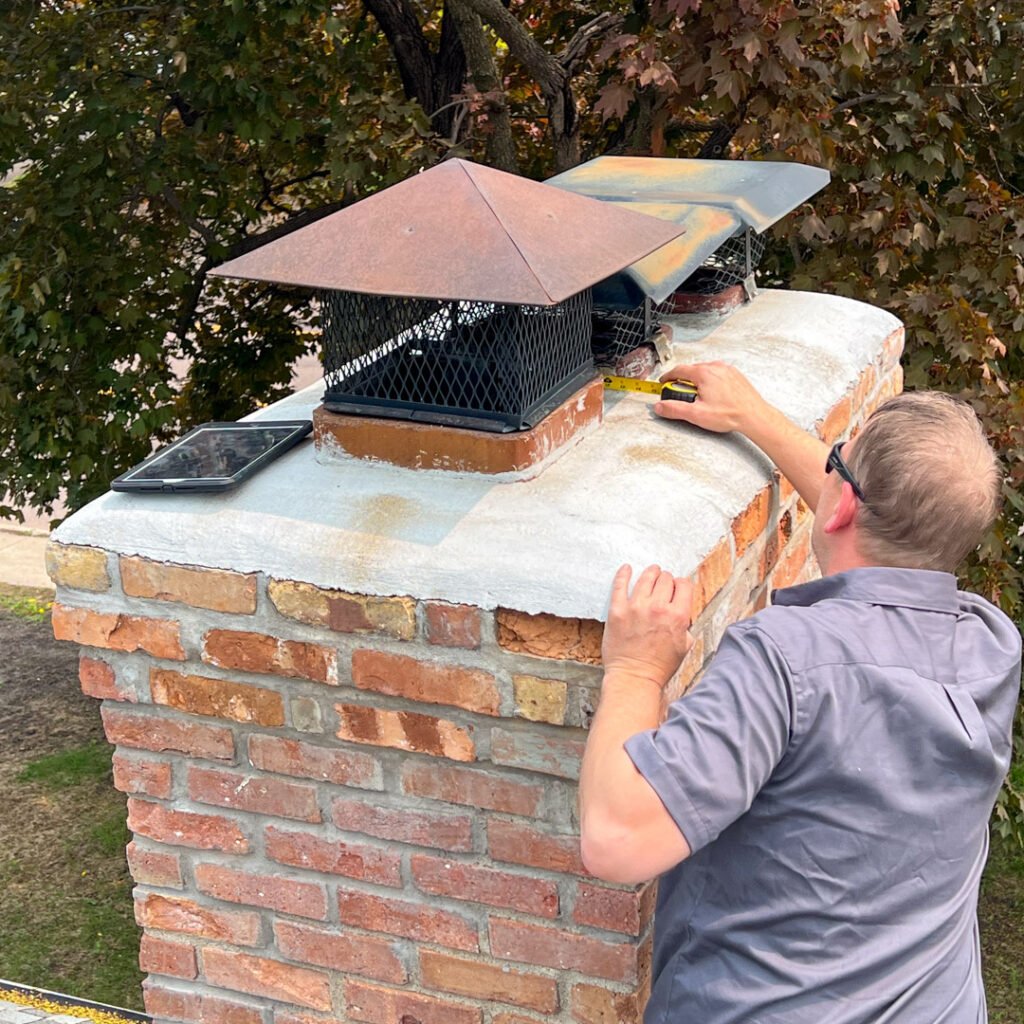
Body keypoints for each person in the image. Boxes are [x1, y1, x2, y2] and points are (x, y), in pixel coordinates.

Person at [578, 361, 1022, 1024]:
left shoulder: (784, 662)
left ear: (841, 502)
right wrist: (752, 414)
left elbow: (616, 841)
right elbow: (890, 521)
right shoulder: (992, 646)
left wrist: (636, 672)